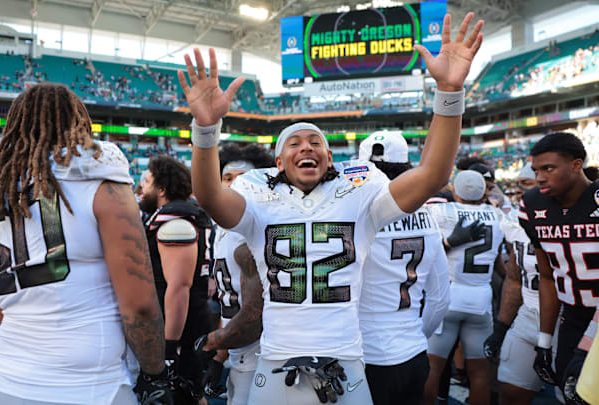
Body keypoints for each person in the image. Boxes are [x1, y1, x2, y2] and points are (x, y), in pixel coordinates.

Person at [184, 12, 484, 404]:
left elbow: (432, 174)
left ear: (330, 158)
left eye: (315, 142)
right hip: (275, 359)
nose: (306, 146)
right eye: (294, 143)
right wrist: (205, 131)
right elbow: (209, 197)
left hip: (345, 360)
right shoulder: (258, 198)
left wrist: (449, 92)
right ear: (277, 163)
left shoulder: (360, 196)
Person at [0, 83, 171, 405]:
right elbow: (140, 306)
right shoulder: (103, 186)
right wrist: (156, 373)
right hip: (89, 384)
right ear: (79, 123)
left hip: (3, 381)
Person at [356, 132, 450, 405]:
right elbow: (441, 298)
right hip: (413, 353)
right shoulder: (426, 215)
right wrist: (414, 336)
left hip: (364, 355)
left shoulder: (357, 212)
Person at [518, 132, 599, 405]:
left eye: (548, 168)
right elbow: (547, 276)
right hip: (573, 317)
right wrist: (544, 340)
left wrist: (587, 347)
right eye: (537, 170)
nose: (540, 177)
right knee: (568, 392)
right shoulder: (532, 205)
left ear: (576, 165)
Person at [199, 143, 275, 405]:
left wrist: (208, 343)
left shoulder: (253, 229)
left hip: (260, 353)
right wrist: (220, 355)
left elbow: (253, 314)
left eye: (242, 179)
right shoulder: (223, 229)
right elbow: (229, 300)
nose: (232, 185)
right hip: (238, 350)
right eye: (227, 178)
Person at [424, 170, 506, 405]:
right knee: (480, 373)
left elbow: (428, 251)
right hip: (481, 298)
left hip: (448, 295)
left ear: (455, 190)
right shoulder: (498, 215)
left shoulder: (441, 211)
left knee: (433, 367)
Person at [140, 155, 212, 405]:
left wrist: (169, 346)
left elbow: (179, 287)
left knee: (181, 395)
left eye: (147, 182)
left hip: (179, 327)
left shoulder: (175, 222)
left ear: (162, 189)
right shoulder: (186, 215)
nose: (141, 189)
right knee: (190, 394)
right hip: (190, 319)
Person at [482, 163, 545, 405]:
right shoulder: (513, 220)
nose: (520, 190)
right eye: (519, 185)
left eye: (527, 184)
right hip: (529, 314)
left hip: (569, 318)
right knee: (510, 391)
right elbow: (514, 278)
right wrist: (501, 327)